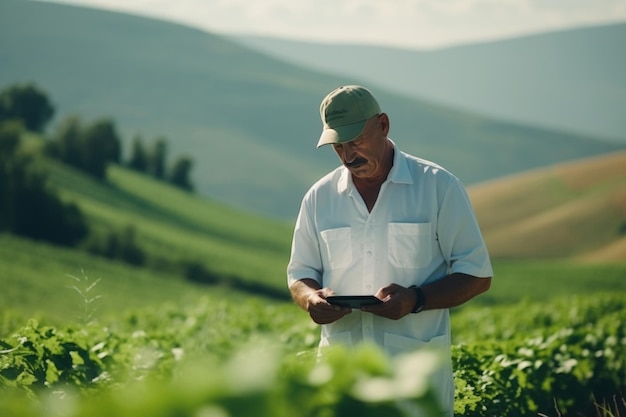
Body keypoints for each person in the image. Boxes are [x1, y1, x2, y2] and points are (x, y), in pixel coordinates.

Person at [287, 85, 493, 414]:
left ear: (383, 125)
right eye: (338, 146)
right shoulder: (318, 197)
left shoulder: (439, 187)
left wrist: (416, 300)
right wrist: (311, 299)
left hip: (416, 381)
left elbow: (477, 274)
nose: (347, 155)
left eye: (355, 141)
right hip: (344, 377)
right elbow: (300, 273)